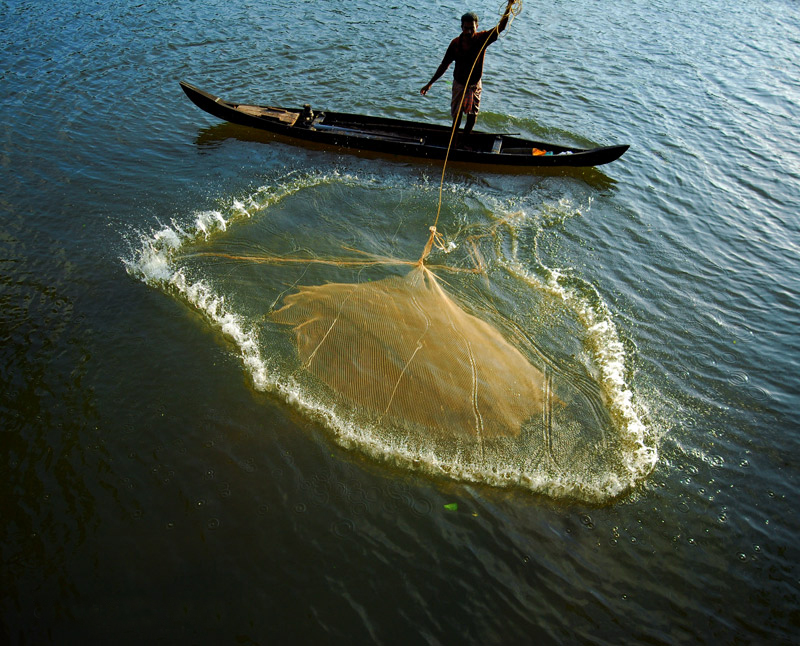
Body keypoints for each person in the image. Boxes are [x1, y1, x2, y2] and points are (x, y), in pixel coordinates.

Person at [420, 1, 515, 137]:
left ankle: (465, 141)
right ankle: (453, 142)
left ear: (477, 26)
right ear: (461, 27)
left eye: (472, 28)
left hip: (474, 85)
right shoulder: (455, 44)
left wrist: (509, 7)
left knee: (472, 116)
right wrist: (430, 83)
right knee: (457, 116)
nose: (469, 31)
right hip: (459, 84)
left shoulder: (482, 38)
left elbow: (501, 27)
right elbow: (444, 65)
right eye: (466, 28)